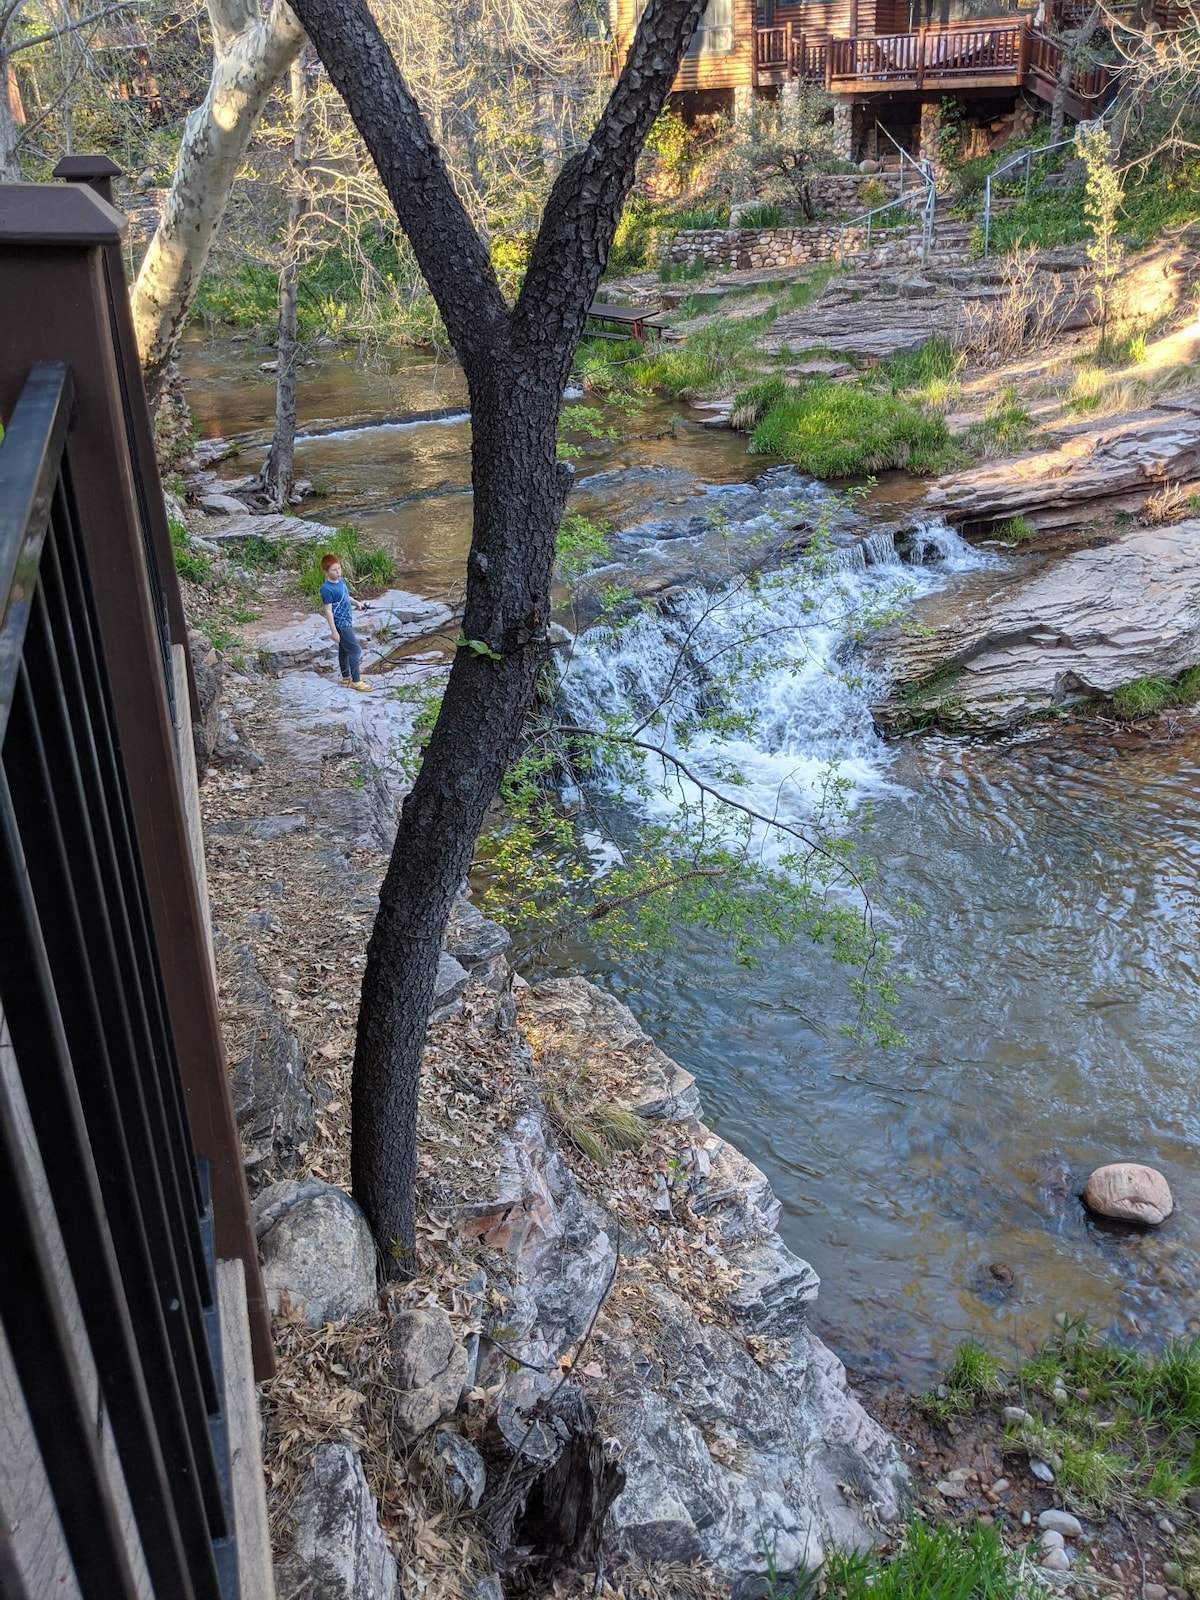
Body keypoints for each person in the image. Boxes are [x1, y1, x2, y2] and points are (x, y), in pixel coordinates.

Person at [319, 553, 372, 692]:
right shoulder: (326, 589)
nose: (338, 572)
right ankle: (355, 681)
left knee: (344, 650)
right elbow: (328, 611)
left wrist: (356, 603)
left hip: (347, 620)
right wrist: (334, 631)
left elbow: (346, 596)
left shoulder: (341, 582)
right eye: (334, 570)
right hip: (341, 625)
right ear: (326, 572)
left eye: (339, 569)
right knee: (355, 650)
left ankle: (345, 677)